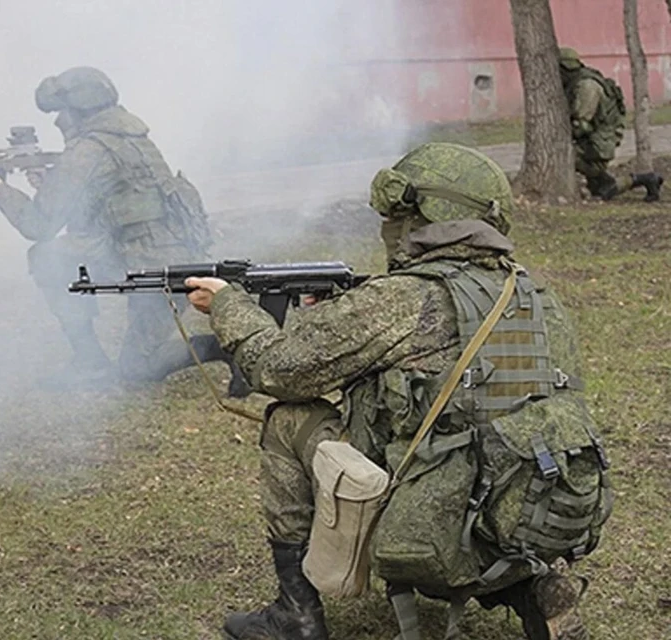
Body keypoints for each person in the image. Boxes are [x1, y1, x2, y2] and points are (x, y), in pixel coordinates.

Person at [186, 143, 610, 640]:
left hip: (438, 524)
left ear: (422, 216)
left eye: (397, 215)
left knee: (287, 419)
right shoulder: (534, 293)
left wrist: (228, 306)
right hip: (524, 515)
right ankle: (532, 586)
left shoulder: (405, 297)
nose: (389, 226)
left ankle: (294, 614)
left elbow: (279, 369)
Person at [0, 67, 243, 391]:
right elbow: (112, 207)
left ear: (79, 110)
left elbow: (37, 224)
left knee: (137, 366)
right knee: (57, 257)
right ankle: (89, 363)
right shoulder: (125, 134)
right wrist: (53, 185)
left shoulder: (88, 150)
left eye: (61, 112)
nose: (57, 121)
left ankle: (228, 351)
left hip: (155, 263)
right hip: (159, 250)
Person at [559, 46, 663, 202]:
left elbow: (580, 124)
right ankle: (648, 179)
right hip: (595, 139)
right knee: (601, 187)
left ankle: (646, 179)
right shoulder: (579, 82)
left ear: (564, 68)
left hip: (597, 144)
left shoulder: (587, 86)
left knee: (565, 157)